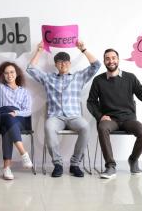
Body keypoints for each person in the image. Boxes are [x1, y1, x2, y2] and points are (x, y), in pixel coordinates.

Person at [26, 41, 101, 177]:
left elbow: (96, 65)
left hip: (74, 116)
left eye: (66, 62)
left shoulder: (78, 77)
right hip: (56, 117)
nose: (63, 64)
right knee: (48, 127)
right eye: (60, 62)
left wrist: (83, 49)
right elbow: (30, 69)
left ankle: (75, 164)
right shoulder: (48, 78)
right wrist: (39, 51)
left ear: (70, 64)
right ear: (55, 65)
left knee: (85, 127)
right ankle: (58, 164)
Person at [87, 48, 142, 179]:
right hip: (110, 120)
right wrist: (100, 116)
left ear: (118, 59)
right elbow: (91, 102)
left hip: (128, 119)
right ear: (104, 61)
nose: (111, 61)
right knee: (102, 127)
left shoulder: (130, 78)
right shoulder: (98, 80)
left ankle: (133, 160)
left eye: (113, 58)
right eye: (107, 58)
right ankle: (110, 166)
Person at [0, 40, 33, 180]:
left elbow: (28, 110)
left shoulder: (24, 92)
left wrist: (16, 113)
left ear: (16, 74)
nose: (9, 75)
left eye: (12, 72)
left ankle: (7, 168)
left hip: (18, 119)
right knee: (6, 118)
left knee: (9, 124)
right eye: (6, 73)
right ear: (3, 75)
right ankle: (23, 153)